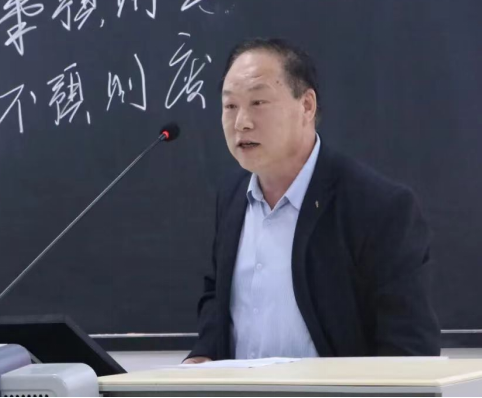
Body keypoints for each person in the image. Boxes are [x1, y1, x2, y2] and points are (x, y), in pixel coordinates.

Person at [184, 38, 440, 363]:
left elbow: (410, 349)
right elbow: (218, 293)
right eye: (230, 106)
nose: (241, 122)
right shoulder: (232, 195)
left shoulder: (379, 207)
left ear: (306, 106)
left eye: (258, 102)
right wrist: (204, 354)